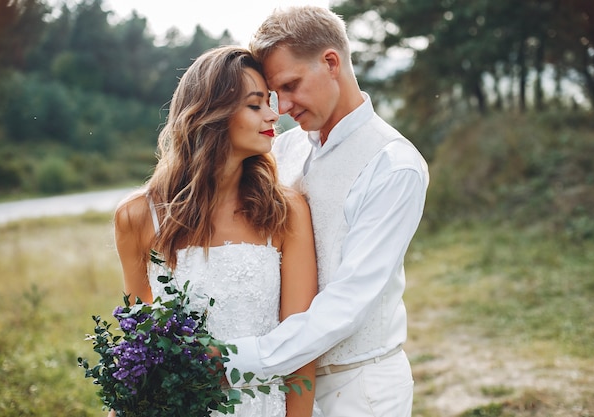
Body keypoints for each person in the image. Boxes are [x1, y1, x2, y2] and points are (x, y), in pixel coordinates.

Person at [223, 6, 430, 417]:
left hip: (360, 389)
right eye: (271, 95)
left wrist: (237, 359)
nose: (281, 107)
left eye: (290, 85)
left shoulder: (394, 165)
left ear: (331, 62)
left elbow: (348, 302)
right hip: (282, 387)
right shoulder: (285, 149)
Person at [111, 45, 320, 417]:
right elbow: (141, 345)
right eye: (256, 105)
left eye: (268, 101)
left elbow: (301, 345)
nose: (274, 114)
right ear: (212, 114)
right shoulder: (138, 217)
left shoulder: (285, 211)